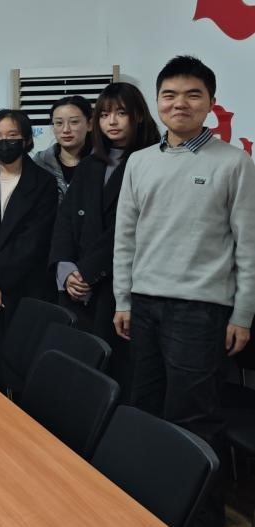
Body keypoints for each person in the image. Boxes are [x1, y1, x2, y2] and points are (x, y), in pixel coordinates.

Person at [114, 56, 255, 527]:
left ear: (211, 103)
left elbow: (248, 246)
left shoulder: (234, 163)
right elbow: (126, 238)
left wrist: (243, 314)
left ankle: (202, 517)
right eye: (170, 95)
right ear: (157, 102)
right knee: (145, 408)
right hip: (144, 306)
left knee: (194, 417)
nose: (180, 104)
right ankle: (148, 506)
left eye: (193, 95)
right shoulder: (140, 162)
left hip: (201, 311)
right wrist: (123, 299)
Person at [49, 82, 158, 387]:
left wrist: (86, 271)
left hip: (118, 282)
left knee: (118, 371)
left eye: (121, 113)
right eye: (104, 115)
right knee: (78, 371)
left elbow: (127, 228)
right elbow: (65, 220)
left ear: (138, 115)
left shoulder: (150, 162)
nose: (112, 121)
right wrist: (65, 268)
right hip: (76, 285)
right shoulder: (91, 164)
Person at [0, 109, 58, 391]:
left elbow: (34, 239)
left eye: (12, 135)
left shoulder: (43, 182)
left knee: (22, 371)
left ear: (26, 139)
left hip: (24, 287)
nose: (4, 142)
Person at [32, 95, 93, 198]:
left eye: (74, 122)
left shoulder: (102, 161)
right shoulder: (40, 163)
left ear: (90, 125)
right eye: (59, 123)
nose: (66, 130)